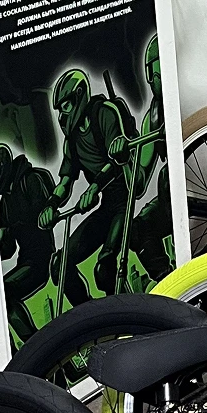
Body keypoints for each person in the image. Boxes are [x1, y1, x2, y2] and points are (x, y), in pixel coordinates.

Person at [40, 66, 137, 304]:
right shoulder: (72, 141)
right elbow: (65, 181)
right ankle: (89, 315)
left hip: (124, 202)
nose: (63, 116)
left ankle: (130, 312)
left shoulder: (104, 113)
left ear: (80, 95)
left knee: (105, 268)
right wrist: (51, 205)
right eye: (60, 110)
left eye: (66, 106)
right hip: (106, 207)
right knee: (60, 265)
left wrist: (94, 187)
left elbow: (116, 161)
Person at [0, 141, 56, 346]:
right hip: (25, 262)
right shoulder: (5, 204)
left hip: (42, 260)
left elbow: (44, 215)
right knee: (0, 295)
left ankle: (35, 344)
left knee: (5, 292)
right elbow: (7, 248)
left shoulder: (31, 180)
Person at [128, 33, 175, 280]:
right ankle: (167, 278)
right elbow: (138, 182)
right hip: (171, 194)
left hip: (204, 178)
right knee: (138, 228)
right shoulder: (153, 117)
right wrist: (123, 157)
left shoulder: (187, 91)